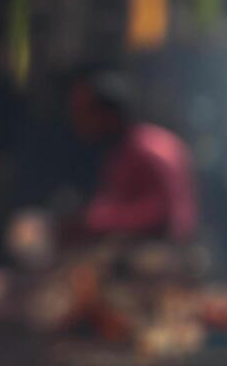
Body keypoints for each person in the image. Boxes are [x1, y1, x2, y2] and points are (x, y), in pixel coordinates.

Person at [66, 70, 198, 242]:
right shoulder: (126, 149)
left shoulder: (147, 149)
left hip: (167, 253)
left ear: (108, 113)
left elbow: (163, 212)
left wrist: (100, 220)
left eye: (86, 113)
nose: (80, 122)